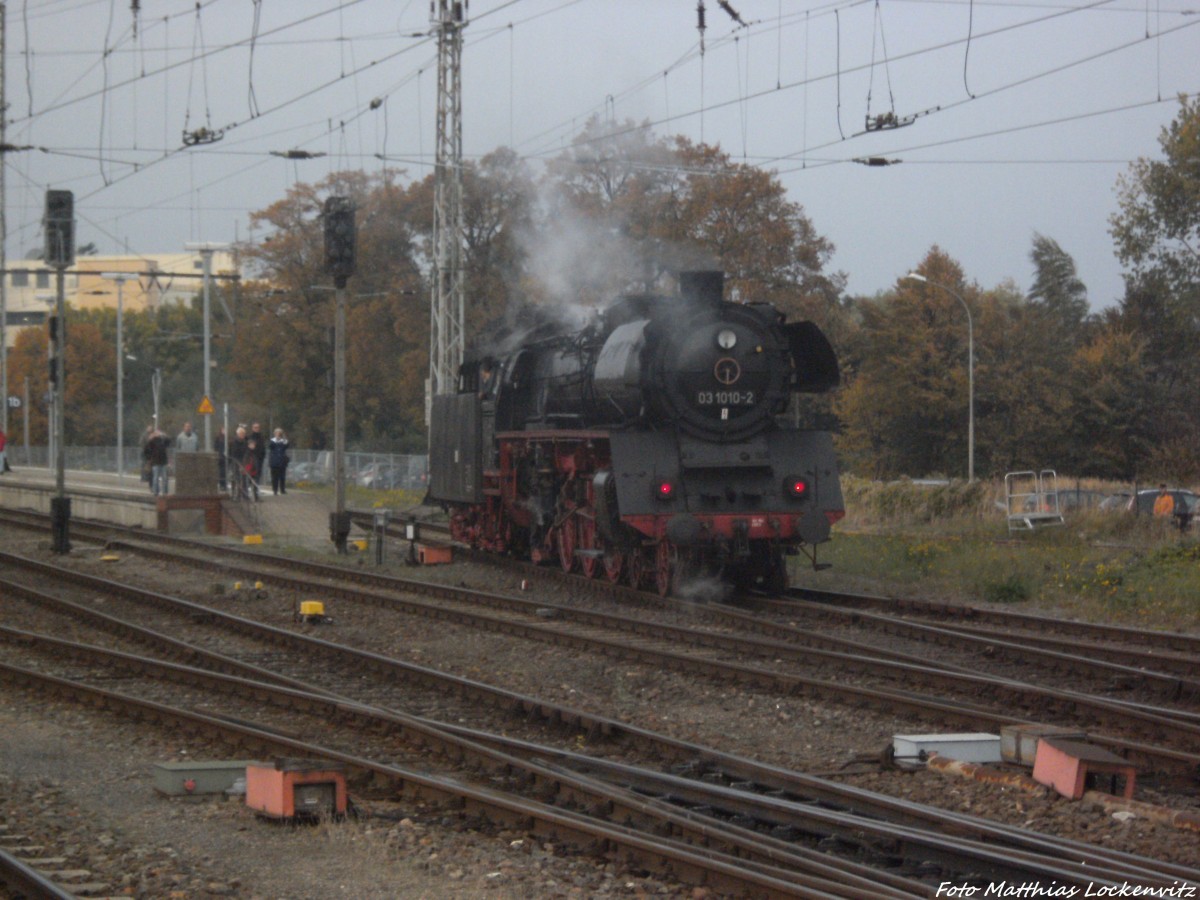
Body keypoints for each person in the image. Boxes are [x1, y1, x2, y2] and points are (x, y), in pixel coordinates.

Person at [143, 428, 172, 496]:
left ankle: (165, 492)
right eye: (156, 432)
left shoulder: (163, 440)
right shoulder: (152, 441)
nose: (157, 434)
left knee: (165, 478)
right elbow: (146, 449)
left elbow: (169, 441)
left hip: (163, 462)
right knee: (155, 478)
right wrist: (149, 459)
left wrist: (164, 435)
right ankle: (156, 492)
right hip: (155, 462)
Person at [268, 427, 291, 495]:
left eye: (279, 433)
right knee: (274, 477)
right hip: (274, 462)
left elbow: (287, 445)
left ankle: (282, 489)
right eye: (277, 433)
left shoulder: (283, 441)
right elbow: (270, 446)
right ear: (274, 434)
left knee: (282, 477)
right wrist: (277, 440)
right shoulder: (272, 441)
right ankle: (275, 490)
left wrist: (283, 439)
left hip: (282, 462)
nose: (278, 434)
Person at [213, 426, 228, 492]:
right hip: (220, 457)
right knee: (221, 472)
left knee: (225, 472)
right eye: (223, 430)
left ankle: (224, 484)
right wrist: (218, 454)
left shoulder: (227, 438)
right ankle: (222, 484)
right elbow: (215, 447)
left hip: (226, 457)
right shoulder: (218, 438)